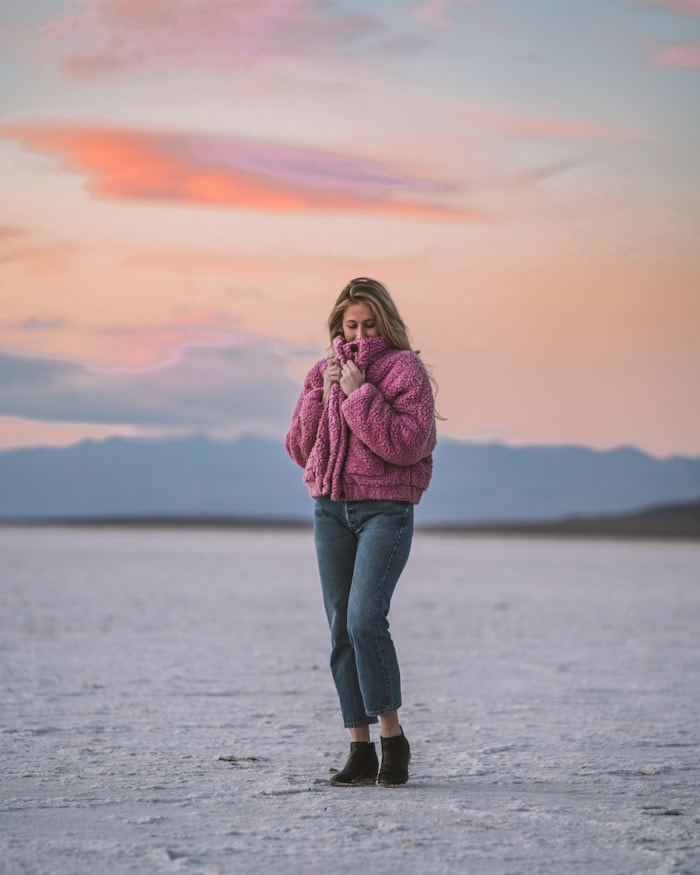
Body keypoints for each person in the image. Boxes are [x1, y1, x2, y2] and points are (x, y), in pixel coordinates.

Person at [284, 277, 437, 787]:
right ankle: (360, 748)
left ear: (385, 322)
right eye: (351, 324)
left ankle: (393, 739)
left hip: (384, 511)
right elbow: (299, 450)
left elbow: (409, 444)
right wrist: (320, 394)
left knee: (365, 618)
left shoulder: (403, 369)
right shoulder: (319, 373)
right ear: (338, 326)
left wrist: (359, 396)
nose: (359, 332)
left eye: (369, 323)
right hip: (330, 509)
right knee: (339, 626)